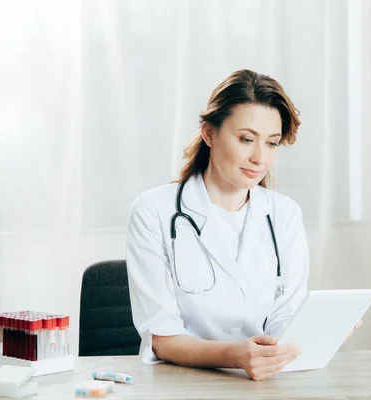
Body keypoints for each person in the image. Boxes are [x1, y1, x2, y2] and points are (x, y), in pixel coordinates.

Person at [126, 69, 308, 381]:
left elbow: (285, 321)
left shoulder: (285, 214)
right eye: (246, 139)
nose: (259, 158)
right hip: (181, 384)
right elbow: (162, 336)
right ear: (209, 134)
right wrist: (236, 355)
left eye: (272, 143)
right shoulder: (154, 210)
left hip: (263, 385)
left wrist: (314, 334)